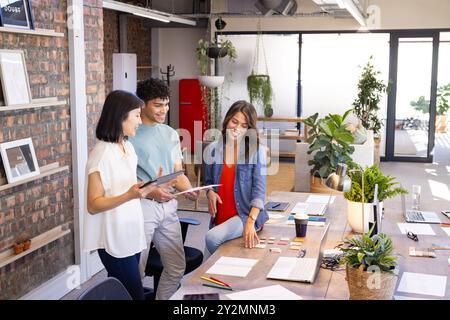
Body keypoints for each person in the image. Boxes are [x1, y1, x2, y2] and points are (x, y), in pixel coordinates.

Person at [128, 78, 199, 300]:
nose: (164, 110)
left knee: (176, 267)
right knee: (136, 272)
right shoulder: (130, 133)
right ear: (143, 104)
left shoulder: (169, 133)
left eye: (166, 104)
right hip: (143, 207)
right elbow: (124, 180)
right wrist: (152, 190)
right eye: (158, 105)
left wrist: (190, 189)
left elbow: (177, 172)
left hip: (168, 207)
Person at [83, 90, 157, 300]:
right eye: (136, 115)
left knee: (122, 293)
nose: (140, 121)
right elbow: (93, 204)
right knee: (134, 295)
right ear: (120, 116)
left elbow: (126, 186)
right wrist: (130, 195)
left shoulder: (127, 147)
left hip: (131, 231)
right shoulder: (101, 153)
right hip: (114, 237)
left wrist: (149, 188)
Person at [204, 100, 268, 254]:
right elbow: (207, 183)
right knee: (206, 273)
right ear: (227, 120)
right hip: (219, 219)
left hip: (244, 216)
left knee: (212, 239)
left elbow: (259, 192)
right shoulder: (212, 150)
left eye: (244, 125)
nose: (237, 128)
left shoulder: (256, 151)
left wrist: (250, 222)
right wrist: (210, 192)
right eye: (234, 121)